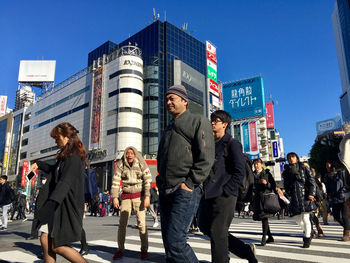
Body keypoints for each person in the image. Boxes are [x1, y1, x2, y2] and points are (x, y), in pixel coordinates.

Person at [157, 85, 215, 262]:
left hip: (185, 188)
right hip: (166, 189)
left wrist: (190, 183)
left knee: (176, 242)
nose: (168, 102)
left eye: (172, 98)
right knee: (168, 243)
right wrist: (159, 181)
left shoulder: (198, 120)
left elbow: (206, 156)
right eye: (166, 99)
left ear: (184, 101)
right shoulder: (168, 129)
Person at [198, 110, 257, 263]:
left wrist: (227, 190)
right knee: (204, 225)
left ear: (224, 125)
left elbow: (239, 170)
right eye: (211, 120)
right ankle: (245, 250)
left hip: (224, 195)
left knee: (217, 232)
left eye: (216, 120)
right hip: (208, 194)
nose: (212, 122)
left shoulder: (232, 143)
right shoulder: (209, 144)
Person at [27, 122, 87, 263]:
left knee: (57, 245)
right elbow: (55, 173)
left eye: (57, 138)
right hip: (58, 205)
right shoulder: (65, 157)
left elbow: (64, 184)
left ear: (66, 137)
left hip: (64, 207)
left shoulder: (74, 158)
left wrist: (49, 206)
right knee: (45, 239)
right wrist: (40, 164)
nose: (55, 141)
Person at [111, 146, 152, 260]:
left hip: (139, 196)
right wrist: (114, 197)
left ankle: (144, 249)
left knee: (142, 224)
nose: (129, 155)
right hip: (126, 196)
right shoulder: (121, 164)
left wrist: (147, 196)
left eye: (131, 153)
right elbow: (115, 181)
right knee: (122, 224)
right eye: (127, 153)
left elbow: (148, 179)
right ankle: (120, 249)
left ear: (135, 154)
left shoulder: (141, 163)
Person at [282, 152, 317, 248]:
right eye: (289, 158)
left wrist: (311, 193)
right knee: (297, 219)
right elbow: (286, 185)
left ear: (297, 158)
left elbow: (312, 181)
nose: (291, 159)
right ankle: (309, 231)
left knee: (306, 218)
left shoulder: (304, 168)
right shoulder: (286, 171)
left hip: (304, 195)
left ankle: (306, 239)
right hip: (294, 197)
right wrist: (287, 193)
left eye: (293, 157)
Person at [252, 158, 276, 246]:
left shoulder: (266, 173)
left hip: (265, 197)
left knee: (264, 217)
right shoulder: (252, 174)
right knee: (262, 217)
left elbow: (273, 185)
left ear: (261, 164)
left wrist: (267, 184)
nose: (256, 166)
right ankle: (270, 236)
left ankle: (263, 238)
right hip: (257, 198)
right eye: (254, 164)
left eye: (257, 164)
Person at [325, 161, 350, 241]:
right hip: (334, 198)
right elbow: (327, 185)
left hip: (344, 197)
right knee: (336, 216)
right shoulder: (328, 175)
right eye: (326, 165)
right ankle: (348, 228)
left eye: (328, 164)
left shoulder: (341, 172)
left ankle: (346, 234)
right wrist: (329, 194)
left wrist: (344, 193)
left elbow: (346, 184)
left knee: (345, 216)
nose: (327, 166)